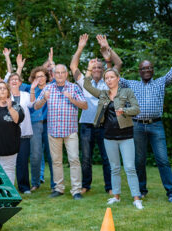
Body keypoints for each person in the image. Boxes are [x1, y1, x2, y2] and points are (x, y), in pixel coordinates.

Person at [118, 51, 172, 202]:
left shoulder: (160, 82)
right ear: (139, 71)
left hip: (156, 125)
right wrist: (108, 57)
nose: (146, 70)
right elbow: (114, 78)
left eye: (149, 68)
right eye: (143, 68)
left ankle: (171, 193)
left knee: (162, 159)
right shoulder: (132, 84)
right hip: (137, 126)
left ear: (153, 70)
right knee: (139, 160)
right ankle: (141, 190)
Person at [84, 65, 143, 209]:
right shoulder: (103, 94)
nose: (109, 80)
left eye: (111, 77)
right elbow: (86, 85)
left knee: (129, 167)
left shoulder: (126, 92)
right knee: (114, 168)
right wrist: (90, 70)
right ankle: (116, 196)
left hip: (126, 135)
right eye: (106, 78)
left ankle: (136, 198)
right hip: (109, 136)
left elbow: (136, 109)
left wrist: (124, 110)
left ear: (118, 78)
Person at [70, 34, 122, 195]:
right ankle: (86, 185)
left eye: (100, 67)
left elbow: (118, 63)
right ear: (90, 70)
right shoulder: (84, 82)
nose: (97, 70)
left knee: (107, 158)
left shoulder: (109, 81)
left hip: (104, 125)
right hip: (86, 125)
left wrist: (107, 48)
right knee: (86, 158)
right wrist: (80, 48)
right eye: (94, 67)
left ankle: (110, 187)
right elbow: (73, 66)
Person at [34, 64, 87, 200]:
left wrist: (72, 99)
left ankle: (76, 190)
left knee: (74, 160)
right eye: (57, 73)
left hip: (70, 131)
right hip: (53, 131)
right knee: (56, 161)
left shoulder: (74, 88)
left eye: (62, 72)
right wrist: (44, 98)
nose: (59, 75)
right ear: (53, 75)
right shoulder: (48, 88)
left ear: (66, 74)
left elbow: (85, 105)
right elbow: (36, 105)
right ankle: (59, 188)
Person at [16, 51, 56, 192]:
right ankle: (35, 182)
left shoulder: (53, 87)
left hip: (50, 124)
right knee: (36, 155)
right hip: (35, 124)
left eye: (42, 76)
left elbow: (59, 75)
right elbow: (16, 83)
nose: (40, 78)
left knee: (52, 155)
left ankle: (55, 184)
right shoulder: (29, 89)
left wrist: (51, 62)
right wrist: (19, 67)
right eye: (37, 76)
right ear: (33, 78)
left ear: (47, 77)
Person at [8, 73, 34, 194]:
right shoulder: (5, 96)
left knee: (22, 161)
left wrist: (33, 89)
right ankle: (9, 187)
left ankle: (24, 187)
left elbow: (32, 104)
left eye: (16, 79)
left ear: (20, 82)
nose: (14, 81)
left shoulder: (26, 95)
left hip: (24, 133)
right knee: (9, 161)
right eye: (12, 79)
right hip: (8, 134)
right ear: (8, 83)